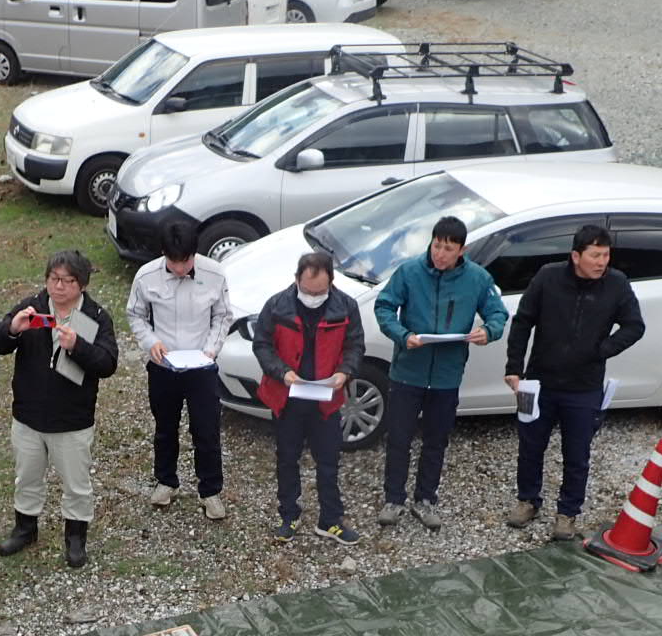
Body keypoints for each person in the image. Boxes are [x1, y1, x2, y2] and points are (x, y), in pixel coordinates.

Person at [504, 225, 645, 543]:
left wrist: (602, 350)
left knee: (577, 453)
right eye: (595, 255)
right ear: (575, 256)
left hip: (584, 387)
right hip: (540, 382)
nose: (601, 262)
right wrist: (514, 367)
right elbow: (523, 320)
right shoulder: (548, 277)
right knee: (530, 446)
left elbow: (635, 326)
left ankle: (567, 514)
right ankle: (527, 500)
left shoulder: (617, 284)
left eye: (606, 255)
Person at [372, 215, 510, 530]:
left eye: (448, 248)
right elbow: (384, 306)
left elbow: (497, 312)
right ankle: (393, 499)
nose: (440, 254)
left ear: (461, 250)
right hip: (408, 371)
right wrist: (401, 334)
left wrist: (488, 331)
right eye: (436, 245)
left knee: (436, 440)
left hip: (447, 376)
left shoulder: (477, 279)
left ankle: (425, 499)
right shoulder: (409, 271)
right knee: (399, 439)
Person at [0, 250, 120, 569]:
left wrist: (78, 347)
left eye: (67, 281)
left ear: (82, 284)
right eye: (53, 279)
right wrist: (13, 329)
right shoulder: (31, 307)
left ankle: (75, 537)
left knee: (76, 483)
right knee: (27, 476)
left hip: (73, 421)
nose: (58, 287)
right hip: (29, 416)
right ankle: (25, 529)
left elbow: (107, 364)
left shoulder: (96, 317)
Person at [251, 250, 365, 545]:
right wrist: (282, 372)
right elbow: (262, 345)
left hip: (326, 400)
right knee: (287, 458)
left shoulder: (347, 307)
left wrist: (344, 373)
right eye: (307, 290)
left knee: (328, 460)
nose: (313, 296)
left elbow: (355, 346)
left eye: (320, 291)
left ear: (331, 282)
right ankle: (288, 514)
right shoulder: (277, 306)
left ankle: (330, 520)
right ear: (296, 280)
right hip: (287, 398)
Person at [128, 219, 234, 521]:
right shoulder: (146, 276)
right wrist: (151, 342)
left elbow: (223, 315)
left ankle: (210, 491)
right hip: (164, 366)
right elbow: (135, 315)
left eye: (185, 262)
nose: (180, 269)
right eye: (174, 263)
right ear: (164, 254)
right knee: (165, 427)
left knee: (207, 430)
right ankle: (166, 481)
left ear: (194, 254)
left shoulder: (214, 273)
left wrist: (211, 349)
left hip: (202, 367)